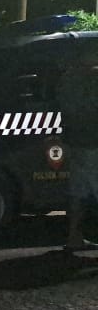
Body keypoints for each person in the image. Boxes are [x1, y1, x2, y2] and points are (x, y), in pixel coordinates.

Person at [55, 58, 98, 252]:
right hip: (93, 142)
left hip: (74, 142)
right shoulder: (91, 79)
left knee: (77, 192)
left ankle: (74, 237)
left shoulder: (67, 79)